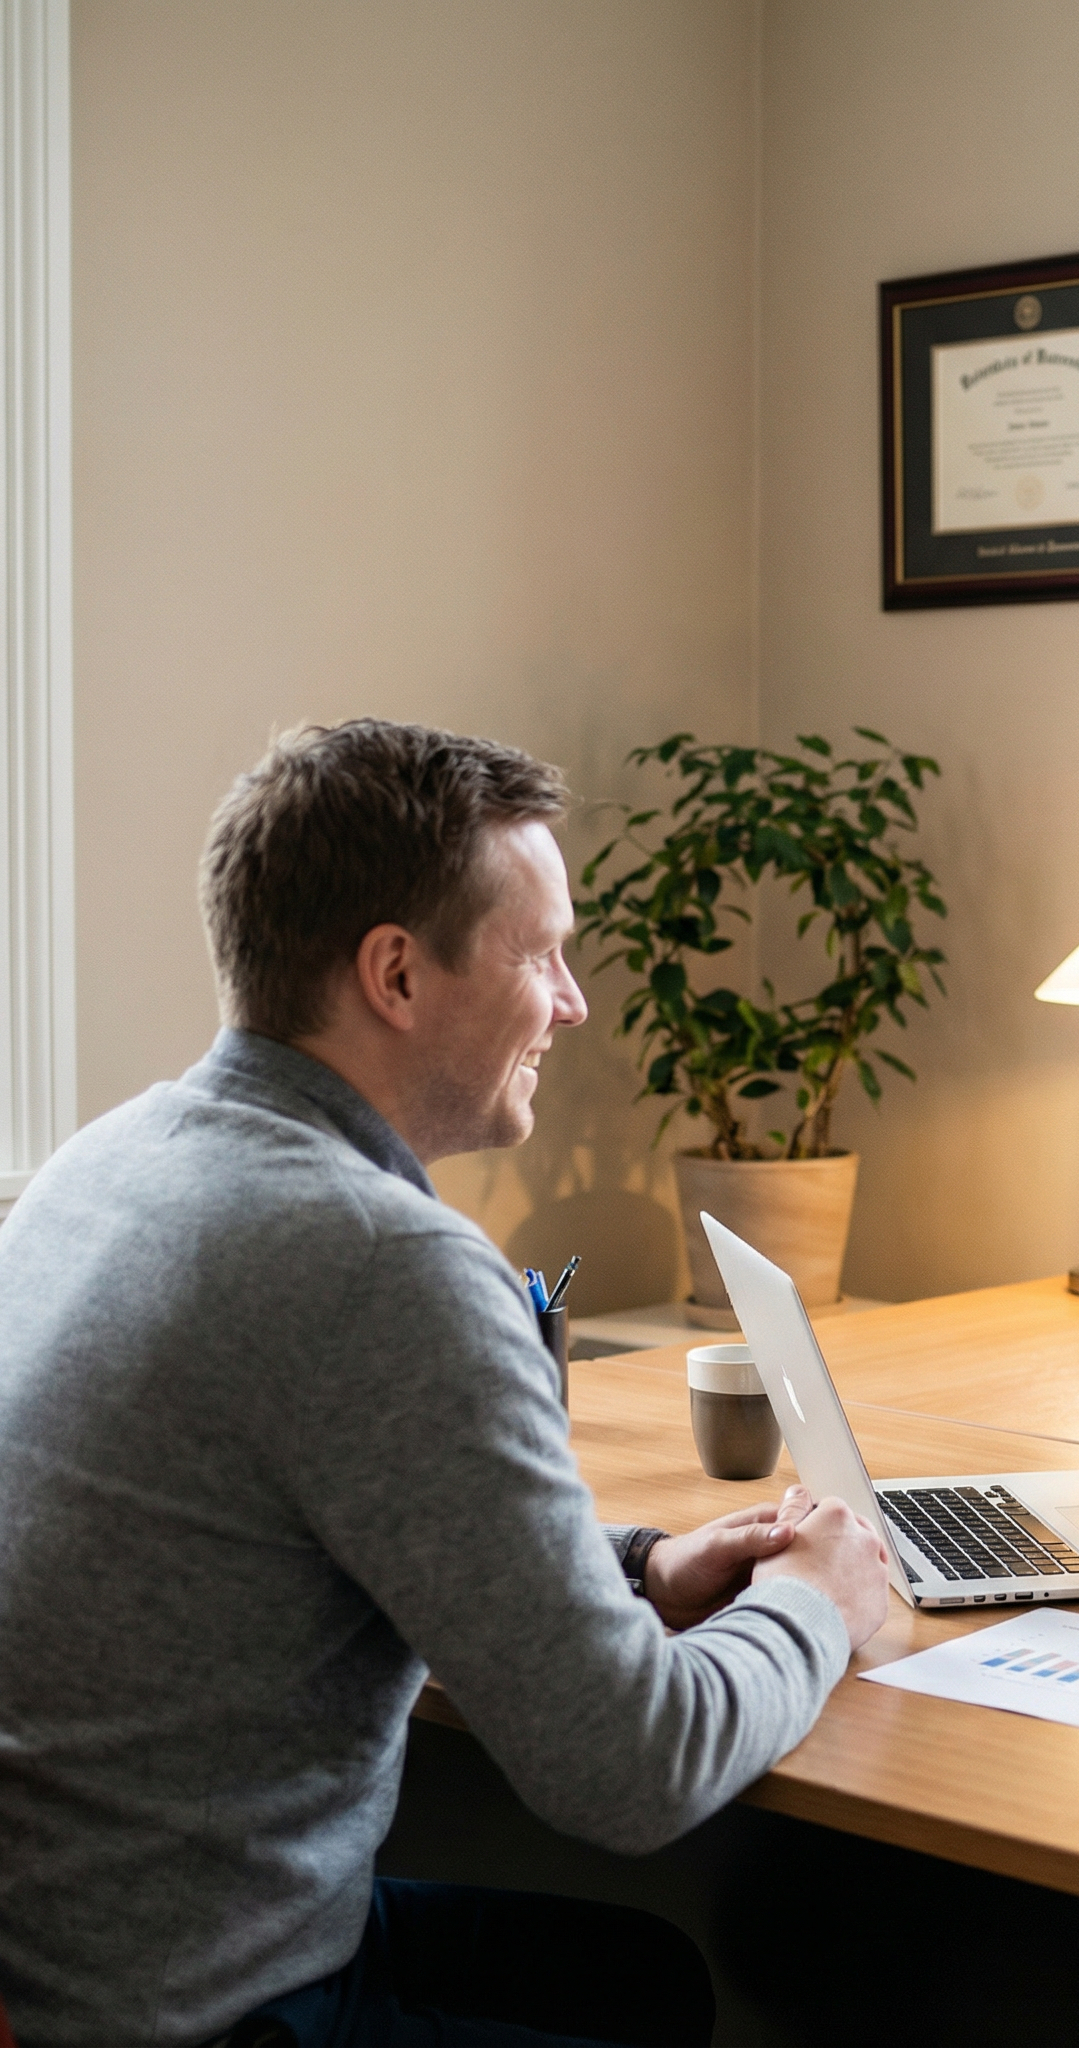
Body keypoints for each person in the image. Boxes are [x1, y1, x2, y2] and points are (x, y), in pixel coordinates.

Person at [0, 720, 892, 2048]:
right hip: (190, 2007)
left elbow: (286, 1523)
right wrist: (821, 1597)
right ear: (397, 975)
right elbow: (633, 1772)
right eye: (541, 954)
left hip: (74, 1945)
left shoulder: (112, 1161)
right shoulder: (379, 1259)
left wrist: (640, 1566)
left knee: (640, 1981)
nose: (577, 1002)